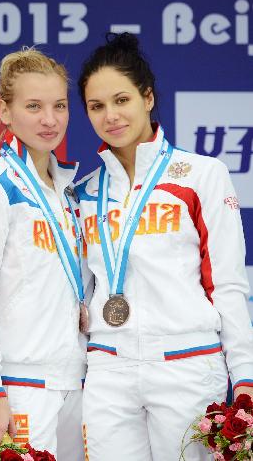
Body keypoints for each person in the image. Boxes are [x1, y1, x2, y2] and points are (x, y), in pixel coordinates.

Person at [75, 33, 253, 460]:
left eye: (122, 100)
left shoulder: (201, 175)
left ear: (148, 97)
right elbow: (80, 289)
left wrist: (245, 377)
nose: (110, 116)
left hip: (187, 362)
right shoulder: (84, 193)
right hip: (108, 368)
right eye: (96, 106)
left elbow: (227, 283)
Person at [0, 48, 88, 459]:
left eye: (60, 106)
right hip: (19, 385)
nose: (49, 120)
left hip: (79, 382)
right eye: (33, 106)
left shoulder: (72, 190)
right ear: (5, 110)